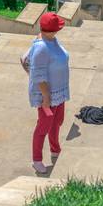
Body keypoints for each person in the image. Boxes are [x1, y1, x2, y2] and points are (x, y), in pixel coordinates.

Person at [21, 11, 70, 174]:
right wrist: (46, 96)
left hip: (59, 93)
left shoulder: (49, 39)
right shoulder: (42, 47)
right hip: (47, 96)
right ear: (52, 30)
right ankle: (37, 160)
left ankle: (55, 149)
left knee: (57, 122)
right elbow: (38, 75)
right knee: (43, 127)